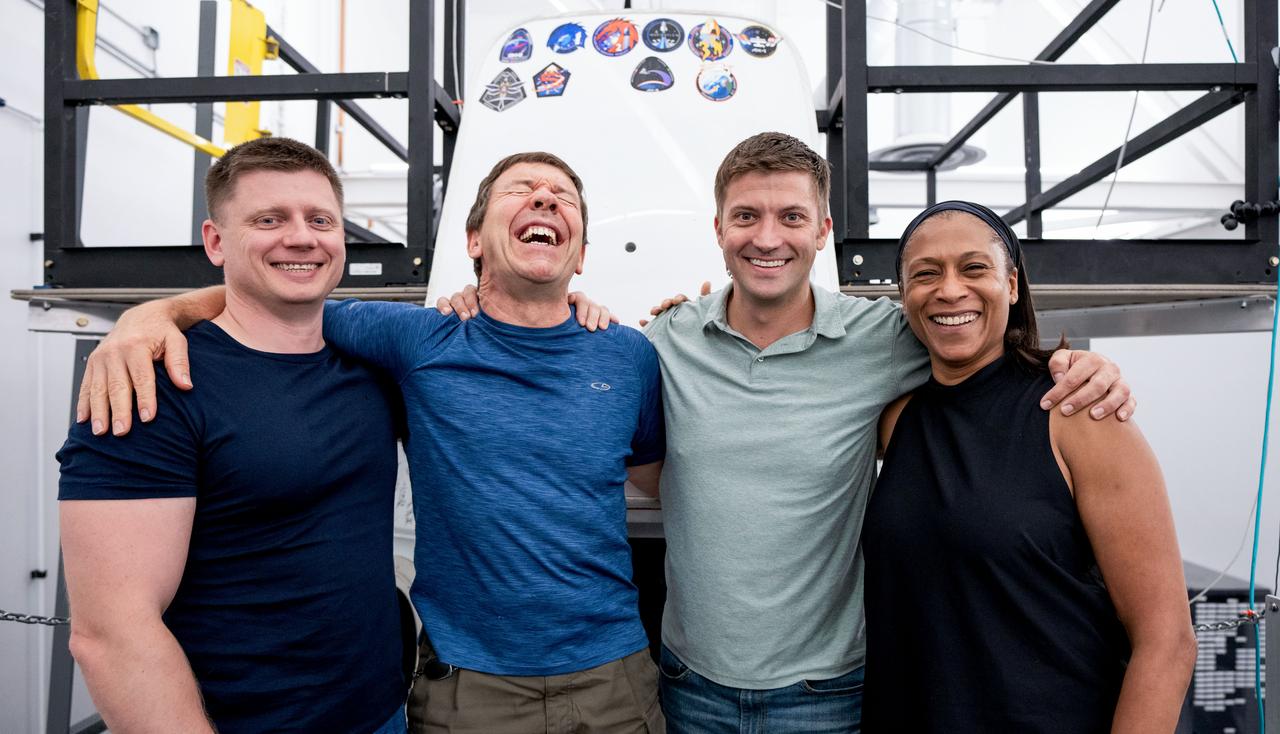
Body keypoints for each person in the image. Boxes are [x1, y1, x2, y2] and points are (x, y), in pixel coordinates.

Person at [439, 132, 1136, 733]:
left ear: (822, 229)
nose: (767, 237)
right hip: (688, 690)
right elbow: (570, 351)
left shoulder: (884, 336)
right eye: (746, 216)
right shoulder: (662, 341)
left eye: (790, 216)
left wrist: (1074, 365)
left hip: (827, 696)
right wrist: (481, 300)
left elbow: (973, 337)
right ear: (718, 229)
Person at [72, 150, 666, 733]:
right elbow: (282, 299)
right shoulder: (414, 338)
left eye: (562, 196)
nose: (544, 198)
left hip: (613, 676)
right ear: (473, 242)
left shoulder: (631, 354)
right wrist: (152, 316)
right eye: (520, 190)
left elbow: (655, 479)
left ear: (582, 254)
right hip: (471, 685)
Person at [57, 137, 409, 733]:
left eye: (320, 219)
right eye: (268, 220)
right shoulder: (152, 382)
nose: (301, 237)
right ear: (215, 241)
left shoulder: (370, 361)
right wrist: (149, 319)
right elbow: (110, 634)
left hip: (381, 716)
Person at [861, 201, 1195, 732]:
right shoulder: (894, 420)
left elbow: (1167, 640)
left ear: (1011, 286)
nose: (949, 290)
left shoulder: (1078, 413)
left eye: (974, 268)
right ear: (905, 296)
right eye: (925, 274)